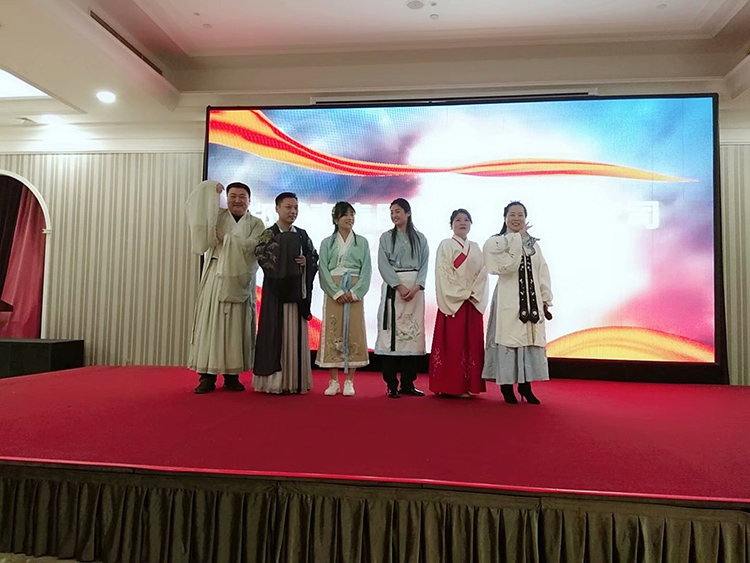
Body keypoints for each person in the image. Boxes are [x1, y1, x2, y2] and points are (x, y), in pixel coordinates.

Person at [185, 180, 266, 394]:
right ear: (226, 199)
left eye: (242, 197)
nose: (237, 200)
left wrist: (227, 239)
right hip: (216, 275)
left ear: (249, 201)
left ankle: (232, 375)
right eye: (233, 196)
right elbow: (196, 211)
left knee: (236, 327)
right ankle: (206, 376)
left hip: (241, 279)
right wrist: (211, 189)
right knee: (211, 323)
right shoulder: (217, 217)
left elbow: (253, 248)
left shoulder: (256, 223)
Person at [482, 201, 553, 404]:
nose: (516, 218)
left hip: (531, 301)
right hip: (508, 299)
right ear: (505, 218)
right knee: (508, 338)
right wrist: (516, 240)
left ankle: (525, 386)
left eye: (520, 215)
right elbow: (504, 267)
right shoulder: (497, 242)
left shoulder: (533, 245)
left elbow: (542, 271)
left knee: (528, 340)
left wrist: (545, 298)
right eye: (512, 215)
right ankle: (506, 387)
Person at [252, 192, 319, 394]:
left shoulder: (302, 234)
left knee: (296, 336)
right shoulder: (268, 233)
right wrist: (282, 261)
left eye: (295, 208)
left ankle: (295, 381)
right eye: (288, 207)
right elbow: (260, 255)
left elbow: (314, 258)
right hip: (275, 295)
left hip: (297, 295)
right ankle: (275, 383)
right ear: (277, 209)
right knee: (275, 335)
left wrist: (307, 262)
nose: (293, 211)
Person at [429, 209, 488, 397]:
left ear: (471, 224)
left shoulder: (476, 248)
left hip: (471, 302)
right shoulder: (446, 245)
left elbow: (483, 274)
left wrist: (473, 293)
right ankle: (448, 385)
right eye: (458, 220)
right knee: (452, 343)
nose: (462, 223)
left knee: (470, 344)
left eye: (466, 220)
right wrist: (461, 293)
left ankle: (466, 385)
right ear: (451, 224)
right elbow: (443, 272)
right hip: (453, 303)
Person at [316, 202, 372, 396]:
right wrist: (336, 292)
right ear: (335, 219)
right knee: (333, 330)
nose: (349, 218)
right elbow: (323, 269)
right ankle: (333, 381)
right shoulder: (327, 243)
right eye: (345, 215)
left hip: (353, 290)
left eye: (352, 215)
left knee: (353, 331)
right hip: (335, 290)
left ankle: (349, 380)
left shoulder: (362, 242)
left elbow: (366, 270)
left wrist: (355, 292)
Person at [375, 198, 429, 398]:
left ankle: (408, 382)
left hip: (414, 291)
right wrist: (398, 285)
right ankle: (391, 384)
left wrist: (416, 287)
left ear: (408, 212)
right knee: (392, 336)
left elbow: (424, 265)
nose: (394, 215)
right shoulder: (386, 238)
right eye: (391, 212)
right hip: (394, 289)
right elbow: (383, 265)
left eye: (397, 211)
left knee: (411, 335)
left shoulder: (421, 239)